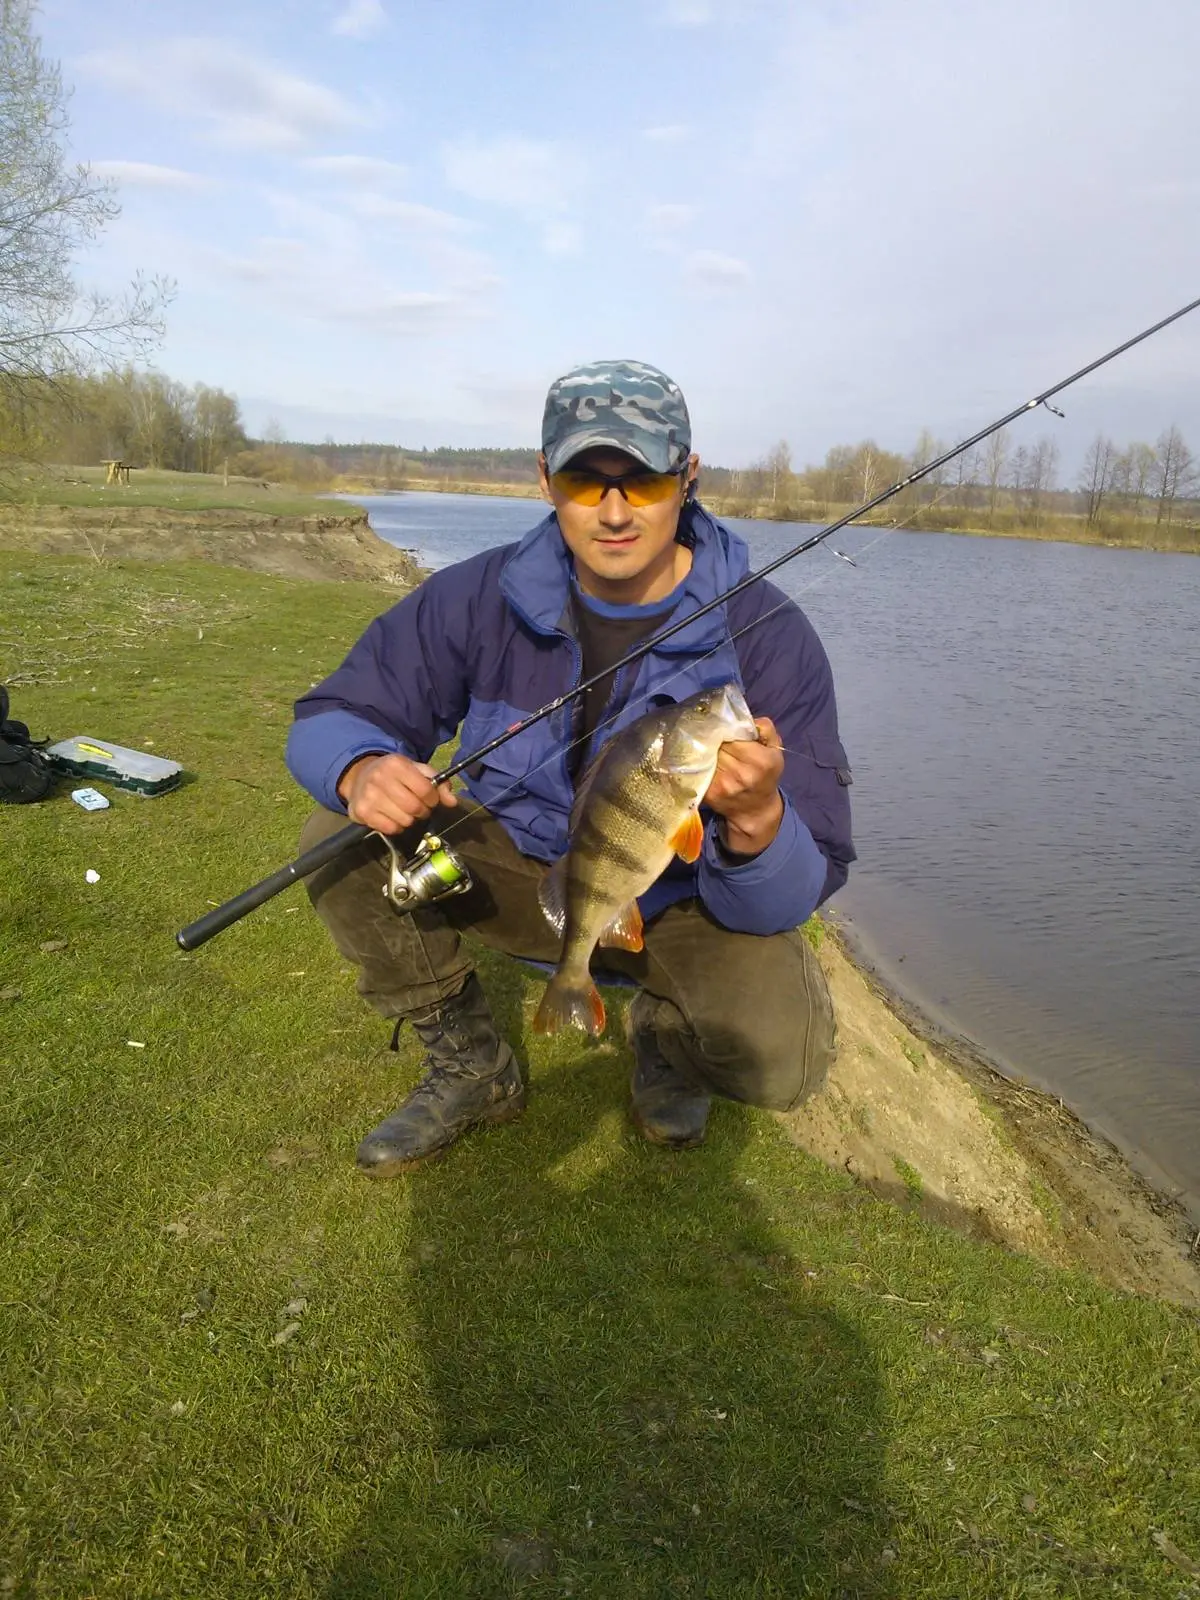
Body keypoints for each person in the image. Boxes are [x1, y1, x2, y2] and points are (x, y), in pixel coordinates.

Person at [286, 360, 855, 1176]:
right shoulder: (478, 597)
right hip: (527, 873)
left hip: (684, 905)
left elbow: (797, 891)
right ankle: (472, 1066)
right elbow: (333, 714)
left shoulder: (771, 638)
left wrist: (760, 822)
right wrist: (360, 767)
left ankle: (664, 1040)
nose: (615, 512)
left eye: (644, 481)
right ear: (546, 479)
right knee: (338, 840)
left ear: (687, 478)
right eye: (587, 481)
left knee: (782, 1053)